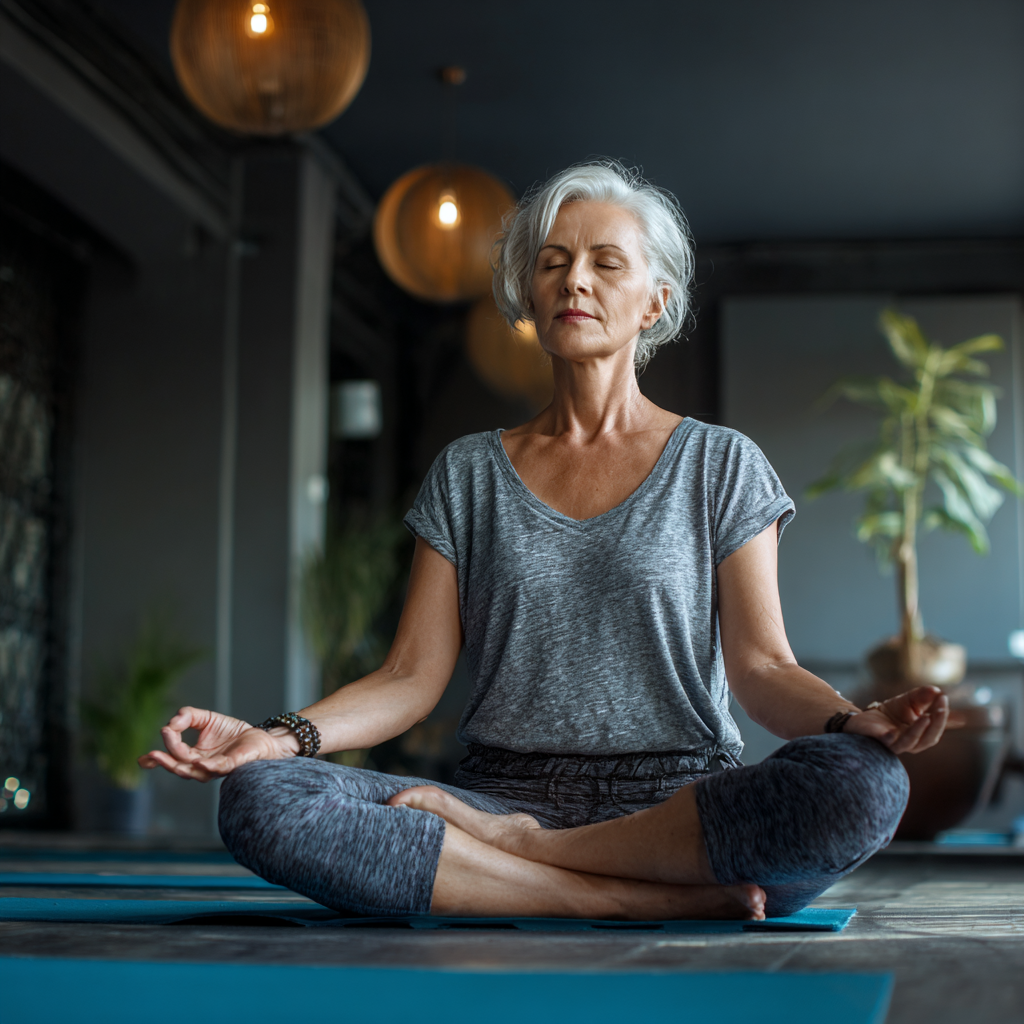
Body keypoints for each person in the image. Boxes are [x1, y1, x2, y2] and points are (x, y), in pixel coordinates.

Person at [141, 160, 952, 922]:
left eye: (606, 262)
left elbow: (763, 668)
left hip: (678, 805)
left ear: (654, 302)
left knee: (861, 787)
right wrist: (276, 739)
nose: (576, 279)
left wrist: (855, 725)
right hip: (499, 792)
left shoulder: (720, 463)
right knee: (260, 797)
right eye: (554, 261)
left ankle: (523, 866)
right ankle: (618, 899)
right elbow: (409, 676)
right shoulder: (469, 473)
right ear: (529, 296)